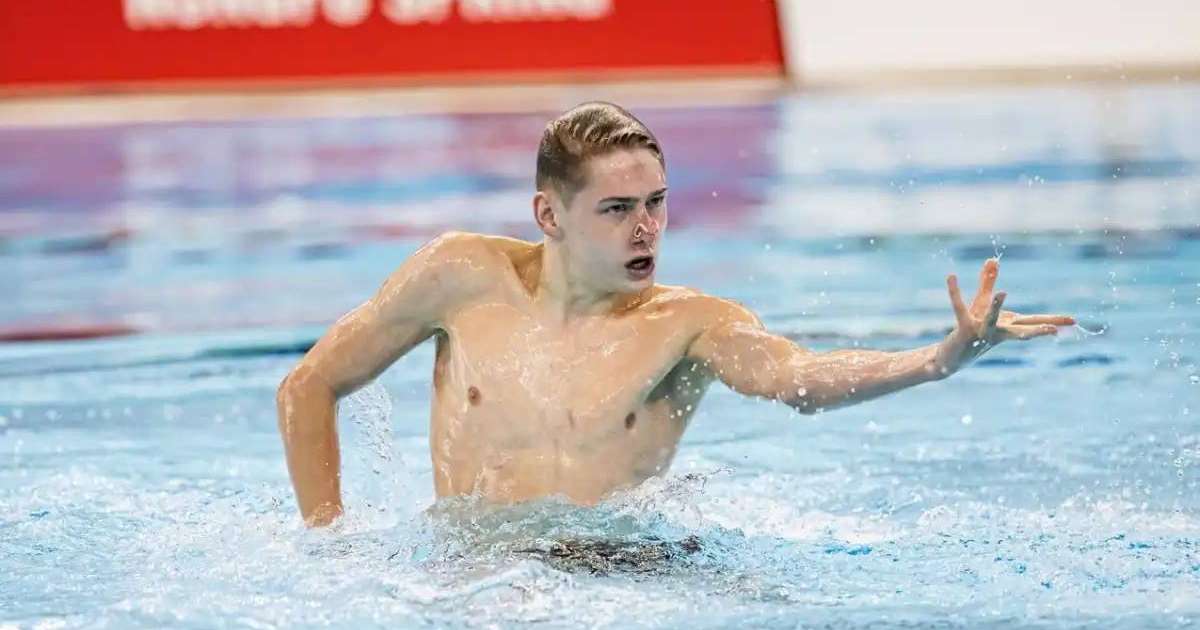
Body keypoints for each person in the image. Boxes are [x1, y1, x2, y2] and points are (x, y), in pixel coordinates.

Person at [276, 101, 1075, 527]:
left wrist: (935, 361)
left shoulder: (689, 322)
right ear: (548, 216)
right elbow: (308, 387)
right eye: (618, 208)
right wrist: (328, 548)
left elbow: (795, 376)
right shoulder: (461, 276)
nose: (647, 229)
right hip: (475, 578)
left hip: (627, 576)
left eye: (657, 202)